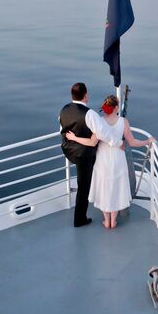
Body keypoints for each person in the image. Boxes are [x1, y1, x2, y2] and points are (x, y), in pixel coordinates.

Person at [66, 94, 155, 229]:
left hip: (103, 159)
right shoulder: (123, 121)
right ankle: (113, 221)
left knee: (104, 188)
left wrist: (74, 138)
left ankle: (106, 220)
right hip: (118, 158)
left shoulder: (100, 121)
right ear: (116, 107)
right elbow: (132, 142)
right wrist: (147, 142)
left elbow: (92, 142)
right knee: (116, 188)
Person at [59, 82, 99, 227]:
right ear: (85, 95)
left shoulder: (64, 110)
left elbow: (63, 127)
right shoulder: (90, 114)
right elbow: (96, 138)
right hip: (84, 154)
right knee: (83, 186)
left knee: (83, 182)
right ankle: (80, 219)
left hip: (69, 151)